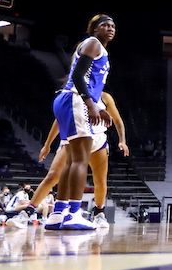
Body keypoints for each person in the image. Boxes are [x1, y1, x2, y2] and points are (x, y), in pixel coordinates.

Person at [16, 90, 128, 231]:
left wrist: (122, 140)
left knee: (100, 180)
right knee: (52, 176)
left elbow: (117, 120)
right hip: (74, 138)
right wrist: (47, 144)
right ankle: (26, 213)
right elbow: (59, 120)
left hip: (97, 139)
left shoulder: (105, 97)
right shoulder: (73, 95)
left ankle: (99, 213)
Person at [48, 15, 115, 231]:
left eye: (113, 25)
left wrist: (100, 108)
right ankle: (75, 213)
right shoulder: (93, 43)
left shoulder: (97, 49)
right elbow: (78, 76)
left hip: (69, 99)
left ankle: (58, 213)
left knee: (71, 161)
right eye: (104, 25)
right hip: (76, 99)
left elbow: (88, 81)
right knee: (80, 161)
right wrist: (91, 104)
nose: (110, 28)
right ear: (94, 29)